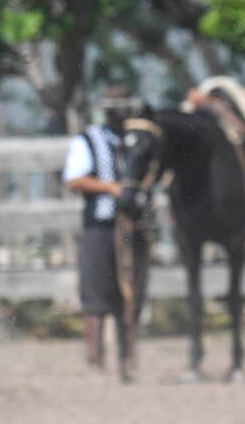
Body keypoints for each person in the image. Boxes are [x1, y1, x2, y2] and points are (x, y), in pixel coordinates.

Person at [62, 85, 149, 381]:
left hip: (132, 227)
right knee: (96, 291)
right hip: (100, 227)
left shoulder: (138, 139)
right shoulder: (90, 139)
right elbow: (74, 179)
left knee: (131, 293)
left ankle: (129, 361)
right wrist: (112, 189)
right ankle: (95, 361)